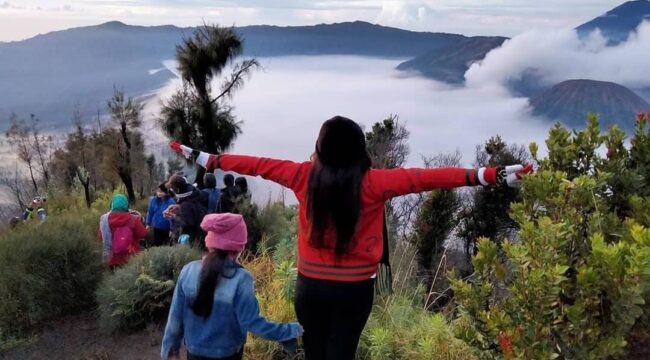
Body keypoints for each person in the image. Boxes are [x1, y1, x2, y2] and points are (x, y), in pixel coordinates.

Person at [170, 115, 532, 360]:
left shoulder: (301, 176)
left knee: (313, 351)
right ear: (360, 150)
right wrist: (489, 174)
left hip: (310, 287)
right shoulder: (375, 184)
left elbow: (256, 164)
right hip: (355, 290)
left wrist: (206, 159)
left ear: (321, 150)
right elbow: (427, 177)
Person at [161, 213, 303, 360]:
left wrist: (170, 349)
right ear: (239, 248)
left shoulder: (188, 271)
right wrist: (291, 330)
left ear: (209, 243)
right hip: (228, 354)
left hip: (194, 353)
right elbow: (253, 323)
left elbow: (175, 318)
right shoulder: (242, 279)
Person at [98, 194, 148, 267]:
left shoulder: (105, 220)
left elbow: (100, 236)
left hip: (112, 258)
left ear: (112, 205)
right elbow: (142, 234)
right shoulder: (134, 219)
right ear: (127, 205)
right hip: (131, 257)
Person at [165, 175, 207, 247]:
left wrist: (174, 216)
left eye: (172, 188)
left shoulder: (186, 205)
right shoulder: (194, 194)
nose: (171, 190)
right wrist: (179, 207)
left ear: (177, 189)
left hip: (192, 239)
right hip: (201, 234)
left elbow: (188, 223)